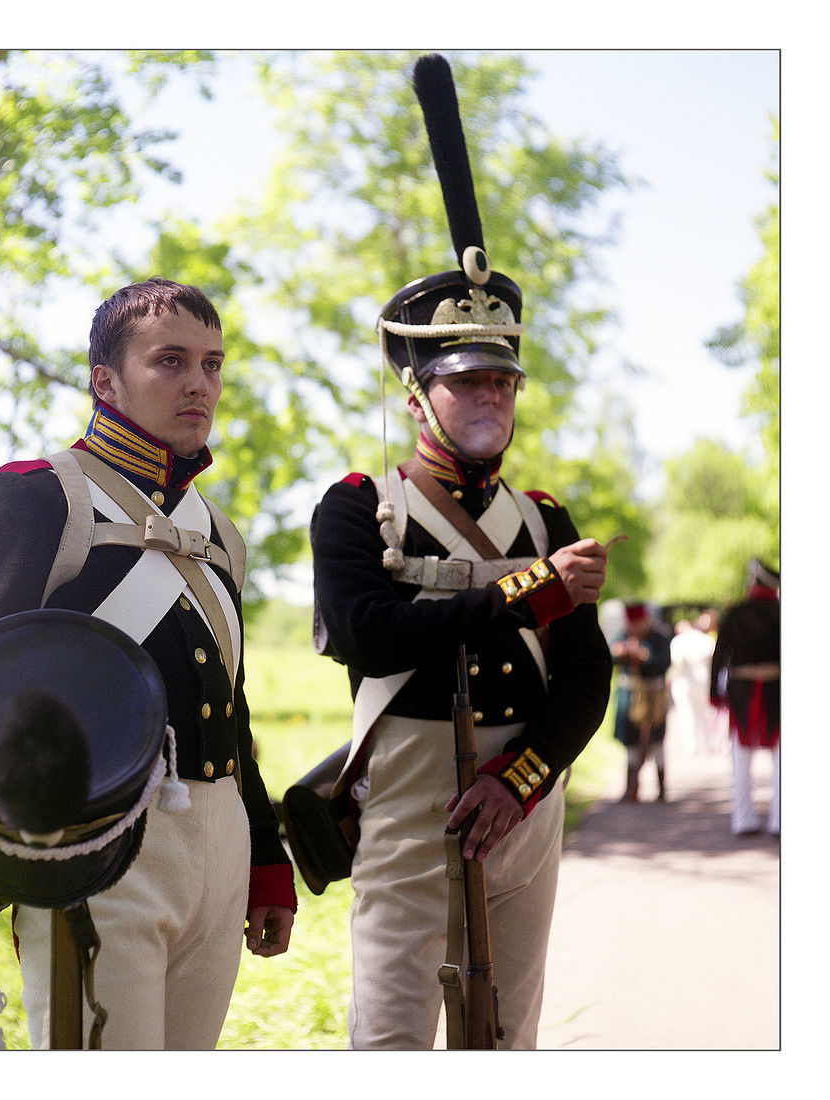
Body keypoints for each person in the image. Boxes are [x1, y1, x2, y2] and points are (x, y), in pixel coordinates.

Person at [309, 54, 612, 1052]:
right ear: (415, 391)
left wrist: (520, 775)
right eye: (464, 379)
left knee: (504, 1037)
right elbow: (366, 634)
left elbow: (583, 675)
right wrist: (524, 594)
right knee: (388, 1038)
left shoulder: (547, 514)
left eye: (502, 381)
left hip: (520, 795)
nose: (489, 395)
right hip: (402, 798)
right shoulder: (358, 507)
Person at [0, 278, 296, 1049]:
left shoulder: (216, 533)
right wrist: (32, 857)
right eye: (170, 361)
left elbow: (230, 709)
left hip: (220, 840)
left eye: (213, 363)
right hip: (100, 840)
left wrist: (265, 858)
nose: (199, 383)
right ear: (105, 379)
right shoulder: (39, 498)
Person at [711, 560, 780, 836]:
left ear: (753, 581)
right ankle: (779, 820)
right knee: (782, 759)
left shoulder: (735, 613)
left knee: (740, 758)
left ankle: (743, 819)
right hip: (778, 690)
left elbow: (720, 656)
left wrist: (714, 694)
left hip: (742, 692)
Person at [611, 603, 672, 802]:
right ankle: (630, 789)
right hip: (629, 699)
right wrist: (621, 653)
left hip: (654, 698)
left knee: (656, 742)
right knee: (630, 744)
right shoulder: (623, 636)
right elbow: (610, 658)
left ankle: (662, 790)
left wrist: (643, 656)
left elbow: (663, 663)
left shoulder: (660, 638)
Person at [667, 613, 723, 756]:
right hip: (703, 682)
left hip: (684, 683)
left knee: (686, 714)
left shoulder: (678, 642)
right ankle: (709, 743)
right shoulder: (706, 641)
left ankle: (691, 746)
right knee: (704, 714)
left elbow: (676, 663)